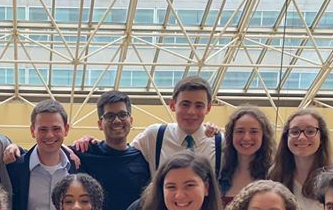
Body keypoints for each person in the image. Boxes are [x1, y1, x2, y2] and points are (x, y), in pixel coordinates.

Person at [72, 76, 223, 179]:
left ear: (208, 108)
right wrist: (85, 144)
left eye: (199, 105)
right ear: (172, 105)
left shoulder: (220, 143)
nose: (191, 112)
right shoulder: (155, 135)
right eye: (185, 104)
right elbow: (120, 150)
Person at [7, 99, 78, 210]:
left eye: (56, 128)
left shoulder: (78, 167)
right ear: (32, 131)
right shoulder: (15, 168)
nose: (49, 135)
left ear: (66, 129)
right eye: (43, 129)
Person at [268, 108, 333, 210]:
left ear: (322, 138)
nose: (302, 137)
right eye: (295, 131)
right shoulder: (274, 176)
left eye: (310, 131)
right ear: (286, 137)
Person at [219, 105, 274, 205]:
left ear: (264, 136)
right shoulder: (219, 170)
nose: (246, 138)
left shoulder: (274, 174)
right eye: (240, 131)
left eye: (254, 131)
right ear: (231, 135)